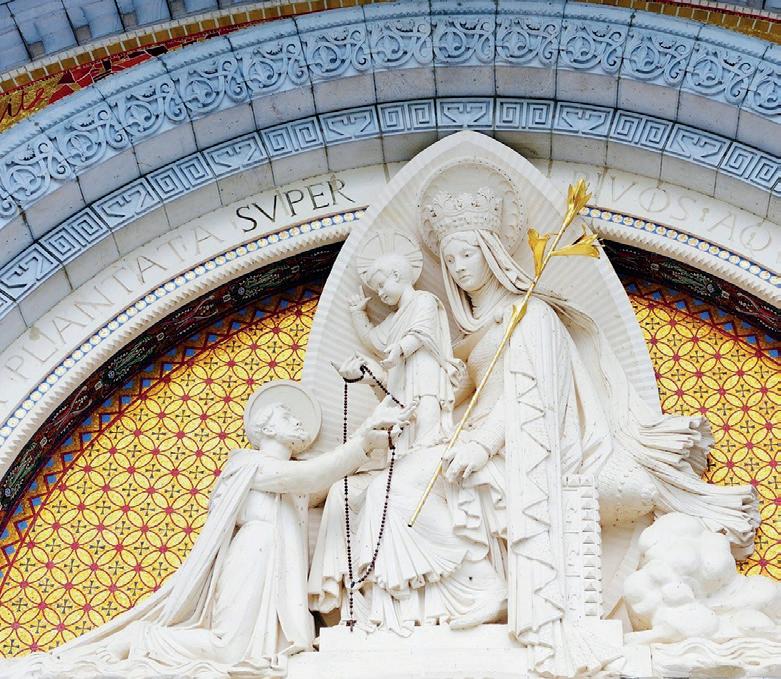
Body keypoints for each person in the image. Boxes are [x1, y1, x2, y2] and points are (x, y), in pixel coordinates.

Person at [309, 182, 758, 678]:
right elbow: (458, 394)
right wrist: (441, 385)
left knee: (404, 489)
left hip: (523, 450)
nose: (457, 267)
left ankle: (485, 589)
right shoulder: (476, 329)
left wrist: (481, 445)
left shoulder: (531, 315)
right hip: (473, 440)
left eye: (466, 254)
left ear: (491, 253)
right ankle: (399, 617)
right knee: (370, 492)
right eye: (450, 259)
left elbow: (534, 396)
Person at [1, 381, 413, 679]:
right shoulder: (248, 464)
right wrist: (362, 440)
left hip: (277, 564)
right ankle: (139, 641)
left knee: (261, 652)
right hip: (254, 555)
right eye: (287, 416)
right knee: (228, 647)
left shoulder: (295, 480)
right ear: (267, 429)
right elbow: (311, 476)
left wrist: (378, 439)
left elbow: (327, 483)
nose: (297, 422)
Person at [350, 229, 464, 448]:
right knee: (405, 419)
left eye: (381, 285)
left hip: (425, 368)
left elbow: (422, 331)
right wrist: (358, 314)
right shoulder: (394, 318)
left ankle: (428, 444)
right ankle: (410, 451)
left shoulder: (424, 300)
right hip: (401, 376)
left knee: (426, 406)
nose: (380, 293)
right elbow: (374, 340)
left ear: (396, 275)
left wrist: (400, 349)